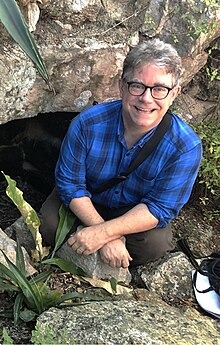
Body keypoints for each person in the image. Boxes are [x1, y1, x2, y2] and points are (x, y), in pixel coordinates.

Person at [40, 38, 202, 270]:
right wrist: (109, 237)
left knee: (154, 246)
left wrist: (103, 233)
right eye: (137, 85)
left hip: (134, 210)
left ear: (174, 93)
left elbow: (160, 207)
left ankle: (92, 246)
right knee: (48, 224)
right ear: (122, 86)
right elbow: (70, 184)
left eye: (159, 89)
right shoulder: (87, 123)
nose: (146, 98)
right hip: (88, 198)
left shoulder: (185, 147)